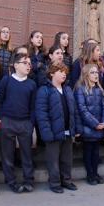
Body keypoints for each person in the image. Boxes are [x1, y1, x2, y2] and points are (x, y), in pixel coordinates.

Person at [0, 53, 37, 194]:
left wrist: (30, 124)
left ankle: (28, 180)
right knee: (7, 154)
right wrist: (0, 119)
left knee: (26, 153)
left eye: (29, 63)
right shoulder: (6, 81)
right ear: (16, 65)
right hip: (8, 121)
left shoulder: (31, 84)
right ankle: (11, 181)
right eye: (25, 62)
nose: (28, 66)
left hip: (24, 123)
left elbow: (33, 106)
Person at [36, 62, 81, 193]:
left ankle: (66, 180)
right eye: (60, 71)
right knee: (53, 160)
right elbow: (41, 113)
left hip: (67, 131)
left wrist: (76, 128)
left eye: (64, 72)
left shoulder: (67, 89)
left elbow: (74, 110)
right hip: (53, 132)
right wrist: (46, 132)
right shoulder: (44, 90)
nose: (64, 74)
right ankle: (55, 183)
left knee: (67, 158)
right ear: (51, 74)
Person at [74, 64, 104, 185]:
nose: (96, 75)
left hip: (99, 126)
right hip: (88, 126)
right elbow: (82, 109)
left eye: (97, 73)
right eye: (93, 73)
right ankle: (90, 174)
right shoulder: (80, 89)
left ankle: (95, 172)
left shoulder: (99, 90)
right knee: (88, 150)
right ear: (86, 74)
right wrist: (94, 124)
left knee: (96, 151)